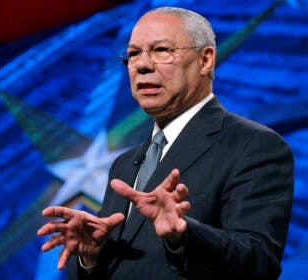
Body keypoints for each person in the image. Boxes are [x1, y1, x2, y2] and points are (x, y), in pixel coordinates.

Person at [37, 7, 294, 280]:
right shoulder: (124, 165)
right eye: (134, 54)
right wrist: (91, 257)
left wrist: (183, 235)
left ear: (205, 60)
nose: (142, 65)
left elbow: (259, 263)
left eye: (161, 50)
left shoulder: (254, 146)